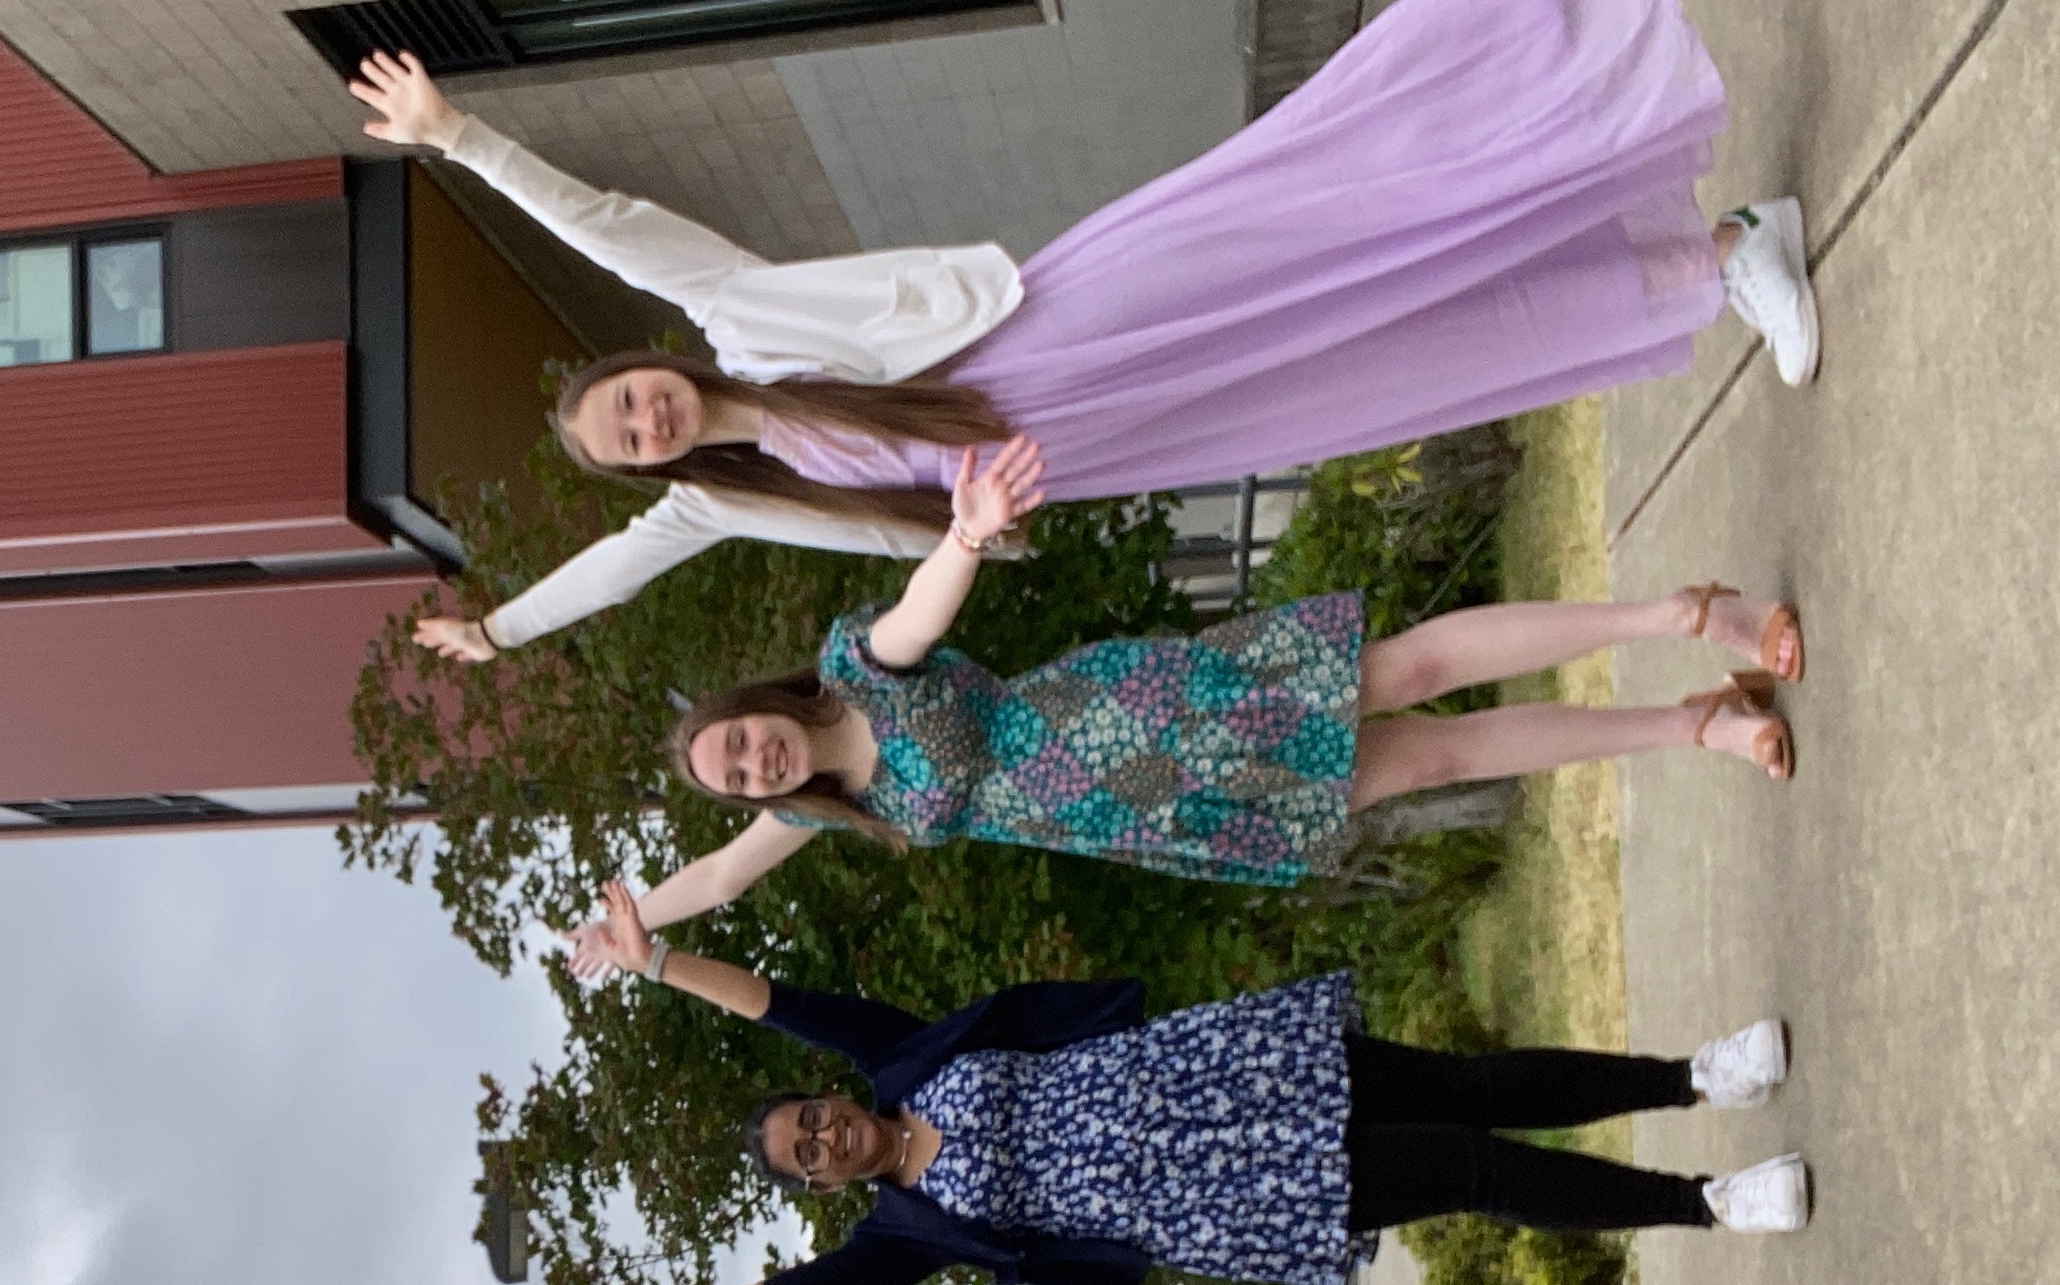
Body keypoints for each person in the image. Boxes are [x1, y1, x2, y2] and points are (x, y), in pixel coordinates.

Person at [345, 0, 1823, 664]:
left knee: (1349, 210)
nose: (646, 421)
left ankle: (1563, 46)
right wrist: (509, 630)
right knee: (1396, 352)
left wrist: (459, 137)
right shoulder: (741, 492)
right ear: (653, 467)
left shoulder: (735, 318)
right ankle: (1716, 255)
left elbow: (601, 224)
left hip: (1089, 313)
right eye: (631, 443)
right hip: (1119, 437)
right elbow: (622, 571)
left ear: (643, 366)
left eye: (625, 399)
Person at [544, 437, 1794, 917]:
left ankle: (1686, 613)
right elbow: (713, 875)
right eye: (737, 776)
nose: (751, 760)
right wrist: (630, 925)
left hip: (1145, 711)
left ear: (760, 709)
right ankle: (1690, 730)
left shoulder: (852, 672)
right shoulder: (835, 809)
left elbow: (922, 615)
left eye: (740, 739)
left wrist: (966, 538)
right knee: (1438, 760)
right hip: (1154, 817)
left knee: (1400, 672)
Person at [551, 887, 1807, 1285]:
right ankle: (1706, 1202)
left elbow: (776, 1001)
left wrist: (653, 961)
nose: (823, 1139)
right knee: (1469, 1171)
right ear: (825, 1186)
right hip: (1231, 1196)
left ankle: (1694, 1079)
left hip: (1228, 1071)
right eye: (806, 1158)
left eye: (812, 1119)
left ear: (834, 1098)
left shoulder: (902, 1057)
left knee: (1470, 1089)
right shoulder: (906, 1234)